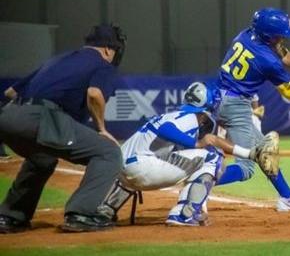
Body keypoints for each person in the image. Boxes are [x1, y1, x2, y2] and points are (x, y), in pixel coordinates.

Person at [0, 24, 126, 233]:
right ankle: (81, 214)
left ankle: (10, 216)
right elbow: (94, 94)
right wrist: (101, 128)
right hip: (42, 117)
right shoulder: (104, 65)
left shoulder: (58, 60)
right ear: (107, 49)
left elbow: (11, 92)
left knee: (43, 157)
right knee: (109, 152)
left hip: (9, 117)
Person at [98, 82, 279, 226]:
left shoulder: (171, 115)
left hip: (121, 172)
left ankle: (106, 209)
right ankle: (184, 214)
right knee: (212, 157)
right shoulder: (190, 119)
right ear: (204, 110)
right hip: (142, 171)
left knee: (197, 156)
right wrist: (196, 143)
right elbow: (166, 129)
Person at [216, 7, 290, 211]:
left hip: (221, 98)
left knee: (265, 153)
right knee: (246, 168)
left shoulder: (245, 35)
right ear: (269, 36)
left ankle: (287, 197)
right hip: (235, 107)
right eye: (279, 34)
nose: (282, 37)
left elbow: (283, 52)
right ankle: (200, 180)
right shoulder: (268, 61)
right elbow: (289, 92)